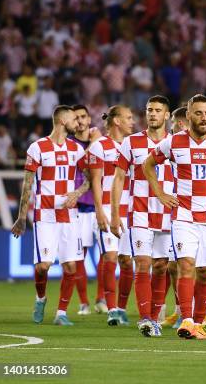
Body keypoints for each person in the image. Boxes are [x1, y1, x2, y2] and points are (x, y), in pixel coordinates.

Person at [144, 94, 206, 340]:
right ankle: (187, 320)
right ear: (188, 115)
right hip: (183, 215)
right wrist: (160, 193)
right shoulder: (173, 142)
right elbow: (148, 165)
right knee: (185, 266)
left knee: (205, 271)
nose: (203, 118)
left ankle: (199, 322)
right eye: (198, 113)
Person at [11, 105, 89, 326]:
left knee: (71, 266)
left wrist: (78, 192)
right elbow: (28, 184)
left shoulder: (77, 150)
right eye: (75, 119)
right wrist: (21, 217)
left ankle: (61, 313)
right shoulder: (38, 148)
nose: (79, 123)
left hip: (69, 215)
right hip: (45, 215)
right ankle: (40, 298)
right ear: (63, 122)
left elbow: (90, 179)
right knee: (43, 266)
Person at [110, 95, 174, 336]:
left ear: (167, 115)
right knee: (143, 263)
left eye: (158, 110)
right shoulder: (131, 142)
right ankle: (146, 318)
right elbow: (118, 179)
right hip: (139, 213)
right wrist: (115, 214)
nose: (153, 114)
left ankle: (155, 316)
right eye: (149, 110)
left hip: (168, 213)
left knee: (160, 267)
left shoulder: (176, 142)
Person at [87, 105, 135, 325]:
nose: (132, 122)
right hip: (107, 208)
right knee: (111, 257)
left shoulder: (132, 145)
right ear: (116, 121)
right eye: (128, 117)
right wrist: (99, 210)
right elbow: (95, 181)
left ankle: (123, 308)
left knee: (126, 261)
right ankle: (112, 309)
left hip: (131, 209)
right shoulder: (99, 146)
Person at [69, 104, 104, 316]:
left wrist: (96, 141)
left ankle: (101, 299)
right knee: (78, 256)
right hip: (79, 207)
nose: (80, 121)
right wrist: (94, 141)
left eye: (83, 117)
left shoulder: (102, 143)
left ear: (89, 119)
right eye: (76, 118)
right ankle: (84, 303)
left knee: (106, 255)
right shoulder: (69, 145)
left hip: (101, 205)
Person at [161, 106, 188, 328]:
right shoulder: (173, 145)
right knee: (173, 265)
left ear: (179, 123)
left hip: (197, 212)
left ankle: (202, 311)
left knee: (195, 266)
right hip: (175, 210)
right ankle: (180, 310)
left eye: (172, 122)